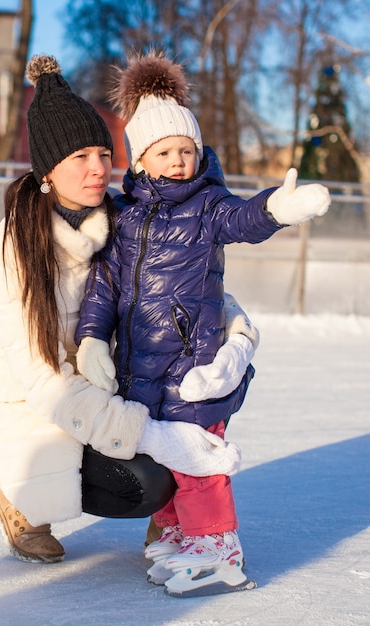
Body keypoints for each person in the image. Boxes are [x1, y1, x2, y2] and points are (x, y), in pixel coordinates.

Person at [0, 54, 256, 567]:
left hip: (114, 390)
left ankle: (177, 517)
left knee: (184, 431)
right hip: (46, 408)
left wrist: (238, 337)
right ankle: (18, 498)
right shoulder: (12, 248)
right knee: (151, 473)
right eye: (80, 155)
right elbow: (46, 381)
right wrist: (154, 436)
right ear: (47, 169)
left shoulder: (122, 218)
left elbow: (186, 286)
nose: (98, 168)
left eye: (104, 153)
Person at [75, 51, 331, 597]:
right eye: (164, 151)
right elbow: (104, 287)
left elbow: (243, 219)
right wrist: (92, 338)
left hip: (193, 365)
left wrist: (277, 209)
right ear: (140, 160)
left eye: (186, 151)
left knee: (197, 460)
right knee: (161, 459)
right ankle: (177, 536)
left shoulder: (207, 205)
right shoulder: (122, 219)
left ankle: (216, 546)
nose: (177, 161)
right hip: (138, 367)